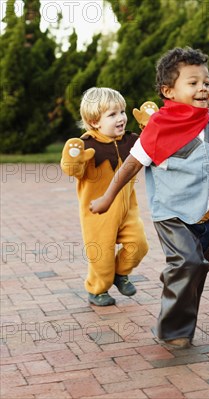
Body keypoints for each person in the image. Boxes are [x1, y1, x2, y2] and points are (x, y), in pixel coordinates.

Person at [90, 47, 209, 348]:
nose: (203, 88)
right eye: (193, 83)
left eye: (207, 82)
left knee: (196, 272)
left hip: (206, 214)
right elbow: (132, 164)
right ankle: (170, 329)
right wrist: (108, 198)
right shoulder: (159, 128)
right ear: (169, 91)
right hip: (172, 214)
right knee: (189, 263)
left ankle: (182, 327)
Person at [60, 87, 149, 306]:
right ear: (94, 122)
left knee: (139, 245)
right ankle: (97, 289)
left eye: (122, 112)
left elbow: (152, 144)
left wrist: (150, 123)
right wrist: (73, 158)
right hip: (97, 214)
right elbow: (73, 170)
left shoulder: (131, 141)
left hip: (128, 210)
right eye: (112, 114)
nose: (121, 118)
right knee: (101, 258)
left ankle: (121, 273)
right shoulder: (86, 145)